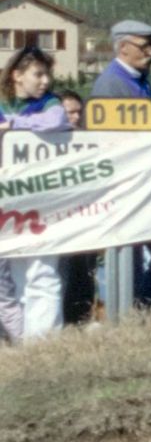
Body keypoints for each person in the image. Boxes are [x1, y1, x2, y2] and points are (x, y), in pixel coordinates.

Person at [86, 19, 151, 314]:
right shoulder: (111, 83)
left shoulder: (139, 79)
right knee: (149, 255)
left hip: (146, 182)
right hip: (128, 186)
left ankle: (139, 316)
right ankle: (136, 317)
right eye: (144, 46)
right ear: (123, 47)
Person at [0, 45, 70, 342]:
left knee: (43, 272)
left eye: (47, 75)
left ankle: (44, 342)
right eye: (37, 74)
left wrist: (14, 125)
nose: (45, 81)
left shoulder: (49, 104)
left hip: (41, 201)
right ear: (17, 75)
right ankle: (25, 342)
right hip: (9, 202)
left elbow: (56, 121)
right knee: (16, 277)